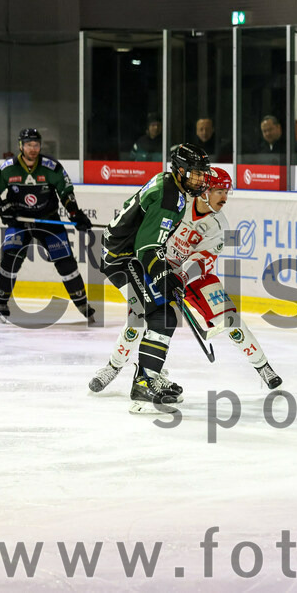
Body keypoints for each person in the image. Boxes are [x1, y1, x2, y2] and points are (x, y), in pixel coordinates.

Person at [90, 167, 282, 396]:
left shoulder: (219, 226)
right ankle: (113, 367)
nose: (224, 197)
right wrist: (163, 273)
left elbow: (204, 260)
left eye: (226, 191)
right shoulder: (178, 203)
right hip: (155, 265)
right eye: (219, 190)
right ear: (204, 192)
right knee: (139, 318)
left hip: (190, 275)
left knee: (229, 317)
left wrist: (180, 277)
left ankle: (263, 367)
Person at [99, 143, 211, 413]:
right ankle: (145, 381)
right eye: (196, 173)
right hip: (123, 259)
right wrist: (163, 276)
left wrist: (164, 274)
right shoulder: (169, 197)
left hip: (127, 254)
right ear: (181, 170)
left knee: (161, 314)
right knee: (162, 315)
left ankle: (149, 374)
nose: (201, 179)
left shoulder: (171, 185)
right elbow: (147, 247)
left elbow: (149, 241)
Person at [0, 128, 96, 323]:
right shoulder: (8, 168)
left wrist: (75, 213)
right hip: (20, 221)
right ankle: (1, 302)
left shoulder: (52, 167)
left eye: (36, 144)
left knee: (66, 263)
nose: (33, 149)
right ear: (20, 146)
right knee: (10, 259)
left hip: (49, 221)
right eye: (29, 145)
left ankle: (82, 303)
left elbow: (66, 192)